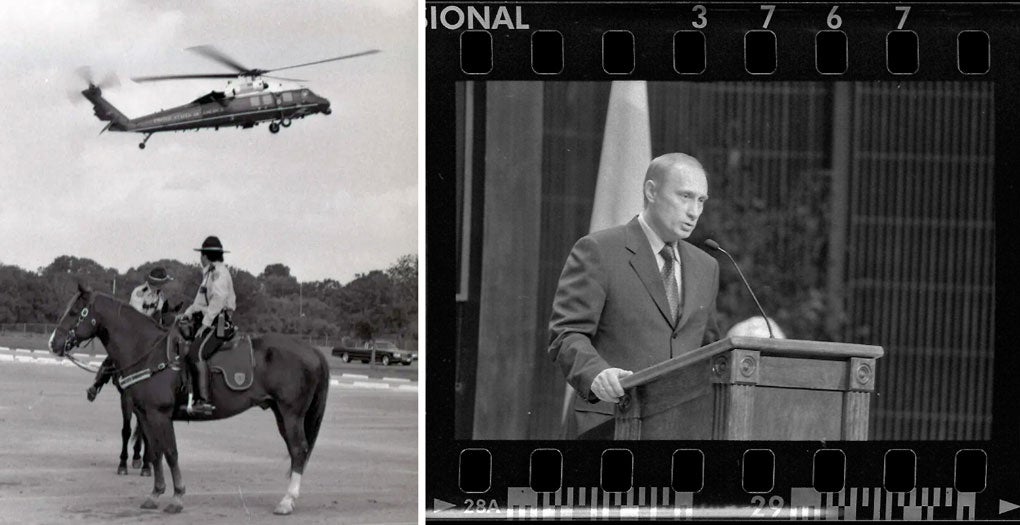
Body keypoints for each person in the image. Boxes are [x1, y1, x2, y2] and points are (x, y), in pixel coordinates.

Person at [548, 153, 721, 439]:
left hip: (681, 430)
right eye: (685, 196)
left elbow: (709, 348)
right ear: (651, 191)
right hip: (608, 424)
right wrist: (596, 375)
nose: (694, 211)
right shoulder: (599, 250)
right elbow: (566, 334)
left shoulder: (707, 265)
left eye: (701, 200)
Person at [87, 266, 174, 402]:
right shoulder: (139, 293)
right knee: (114, 356)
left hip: (148, 332)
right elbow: (136, 319)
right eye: (163, 282)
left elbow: (158, 316)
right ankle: (96, 385)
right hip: (129, 330)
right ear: (157, 283)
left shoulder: (160, 296)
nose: (163, 285)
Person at [180, 235, 237, 415]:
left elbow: (219, 299)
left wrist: (205, 324)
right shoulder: (209, 273)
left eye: (201, 255)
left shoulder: (219, 273)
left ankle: (203, 401)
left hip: (218, 324)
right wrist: (186, 314)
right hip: (209, 320)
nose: (199, 259)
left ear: (205, 256)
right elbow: (199, 302)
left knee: (196, 353)